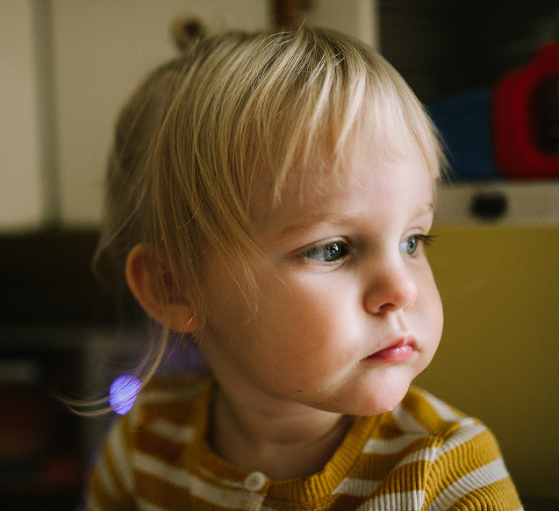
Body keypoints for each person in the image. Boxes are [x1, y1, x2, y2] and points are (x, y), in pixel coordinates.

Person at [81, 24, 523, 510]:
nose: (401, 289)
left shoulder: (452, 476)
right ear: (176, 287)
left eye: (412, 240)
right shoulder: (145, 441)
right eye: (333, 249)